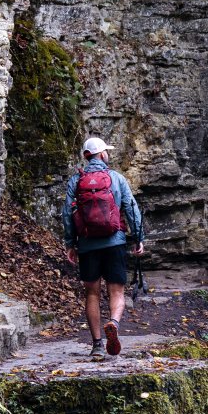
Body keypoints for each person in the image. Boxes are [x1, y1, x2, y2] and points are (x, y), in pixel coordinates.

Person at [63, 137, 145, 357]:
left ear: (86, 156)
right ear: (101, 154)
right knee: (116, 291)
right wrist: (138, 238)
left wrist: (71, 243)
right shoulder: (116, 178)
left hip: (87, 245)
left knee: (92, 293)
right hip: (114, 242)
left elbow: (67, 214)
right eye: (106, 151)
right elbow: (131, 208)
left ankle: (97, 345)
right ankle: (114, 324)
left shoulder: (75, 181)